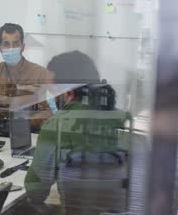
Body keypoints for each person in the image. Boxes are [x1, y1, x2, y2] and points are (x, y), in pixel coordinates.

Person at [24, 51, 129, 214]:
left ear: (69, 93)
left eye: (52, 92)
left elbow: (35, 192)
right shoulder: (123, 119)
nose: (49, 98)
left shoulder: (57, 125)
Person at [0, 23, 52, 132]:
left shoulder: (39, 73)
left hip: (30, 135)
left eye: (15, 43)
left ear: (22, 46)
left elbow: (48, 115)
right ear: (0, 48)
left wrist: (13, 125)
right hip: (1, 135)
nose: (11, 48)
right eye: (6, 44)